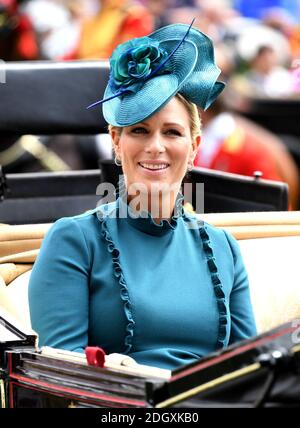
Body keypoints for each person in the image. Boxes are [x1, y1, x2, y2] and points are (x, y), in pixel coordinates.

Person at [29, 22, 257, 371]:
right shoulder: (74, 240)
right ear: (116, 142)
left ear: (194, 147)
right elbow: (62, 376)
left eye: (172, 132)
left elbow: (251, 369)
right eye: (139, 130)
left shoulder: (224, 247)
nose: (156, 147)